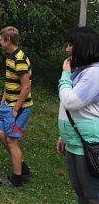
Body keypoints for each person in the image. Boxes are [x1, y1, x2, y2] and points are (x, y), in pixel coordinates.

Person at [56, 26, 99, 203]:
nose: (67, 49)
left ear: (82, 46)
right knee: (81, 192)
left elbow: (70, 101)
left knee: (92, 194)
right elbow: (71, 109)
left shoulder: (94, 73)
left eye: (70, 45)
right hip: (74, 140)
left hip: (88, 142)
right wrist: (63, 136)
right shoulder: (81, 71)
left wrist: (65, 74)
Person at [0, 26, 33, 187]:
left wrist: (16, 109)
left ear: (8, 40)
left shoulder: (20, 59)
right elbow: (9, 81)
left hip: (20, 108)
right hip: (7, 105)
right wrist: (3, 100)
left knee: (12, 141)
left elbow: (26, 87)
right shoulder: (10, 57)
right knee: (0, 134)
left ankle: (16, 179)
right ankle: (22, 167)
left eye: (0, 39)